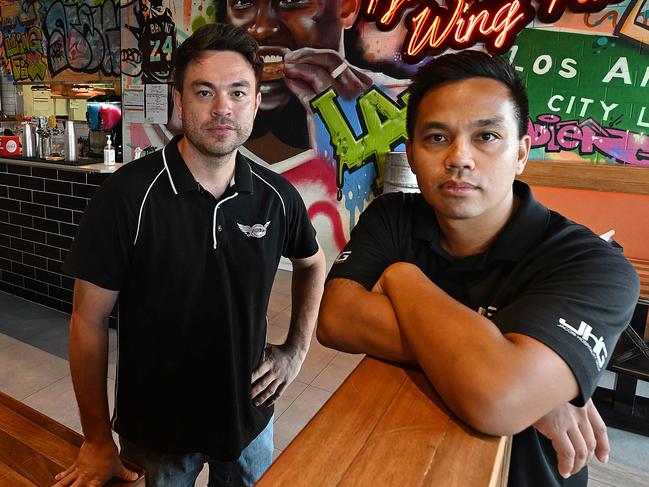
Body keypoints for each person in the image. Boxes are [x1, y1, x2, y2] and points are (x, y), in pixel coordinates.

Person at [317, 51, 639, 487]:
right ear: (411, 154)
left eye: (486, 136)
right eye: (436, 138)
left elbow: (496, 401)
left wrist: (400, 277)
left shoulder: (592, 264)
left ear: (522, 153)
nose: (459, 158)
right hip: (400, 460)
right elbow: (336, 320)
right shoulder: (394, 216)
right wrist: (513, 374)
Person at [55, 23, 325, 487]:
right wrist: (97, 439)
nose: (223, 108)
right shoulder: (127, 196)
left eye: (239, 92)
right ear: (179, 100)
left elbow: (312, 262)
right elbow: (88, 320)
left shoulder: (277, 197)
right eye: (205, 91)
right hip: (158, 435)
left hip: (249, 424)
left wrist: (295, 351)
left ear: (256, 103)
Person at [226, 0, 400, 163]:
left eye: (292, 0)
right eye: (242, 1)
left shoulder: (403, 106)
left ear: (347, 8)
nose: (261, 29)